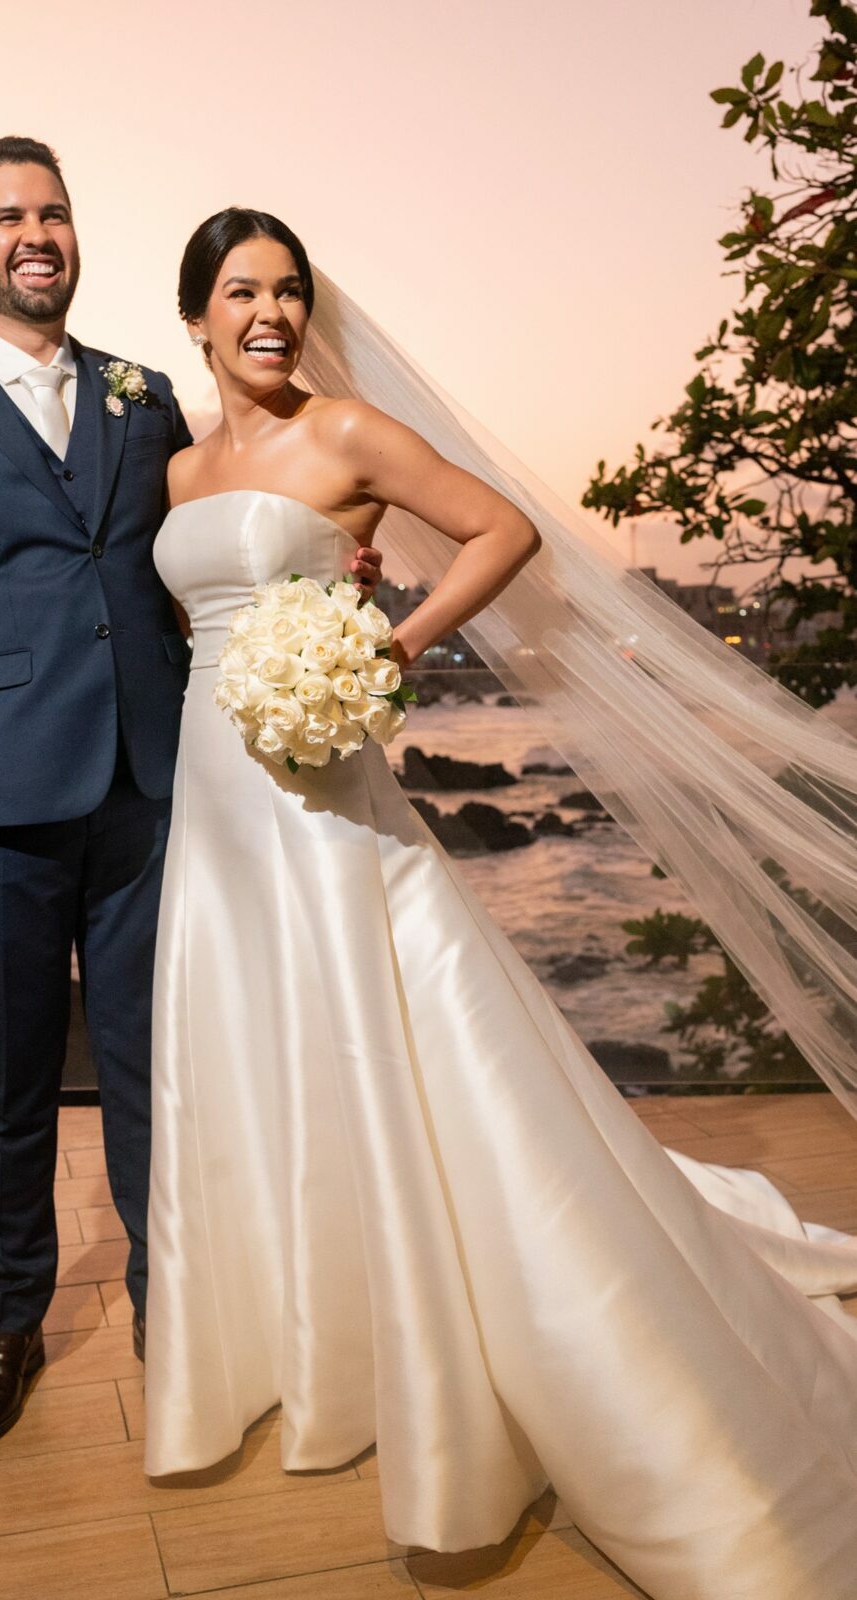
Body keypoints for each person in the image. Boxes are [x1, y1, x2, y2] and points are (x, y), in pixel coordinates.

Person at [143, 207, 857, 1599]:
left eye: (288, 291)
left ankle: (458, 1355)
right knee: (259, 1051)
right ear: (197, 317)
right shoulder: (177, 468)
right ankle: (316, 1340)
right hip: (214, 802)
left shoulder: (347, 434)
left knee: (394, 1047)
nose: (270, 313)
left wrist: (388, 647)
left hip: (321, 791)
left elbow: (501, 528)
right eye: (240, 292)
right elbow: (202, 622)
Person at [0, 139, 384, 1451]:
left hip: (155, 783)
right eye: (9, 217)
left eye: (56, 212)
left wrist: (329, 572)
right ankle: (12, 1317)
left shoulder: (145, 398)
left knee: (157, 1064)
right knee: (17, 1075)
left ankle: (169, 1297)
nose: (38, 233)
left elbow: (207, 543)